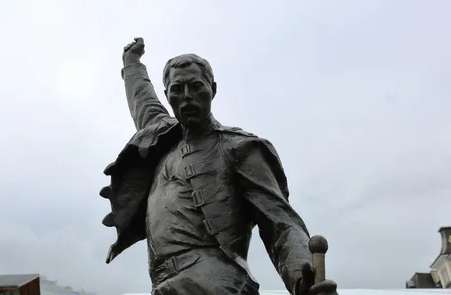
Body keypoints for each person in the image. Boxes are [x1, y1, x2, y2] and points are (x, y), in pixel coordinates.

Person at [101, 38, 338, 295]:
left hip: (217, 285)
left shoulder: (239, 148)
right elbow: (142, 99)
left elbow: (280, 223)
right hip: (164, 285)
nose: (187, 96)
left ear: (212, 89)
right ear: (168, 94)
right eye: (177, 89)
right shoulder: (161, 137)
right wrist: (132, 63)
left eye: (196, 86)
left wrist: (301, 279)